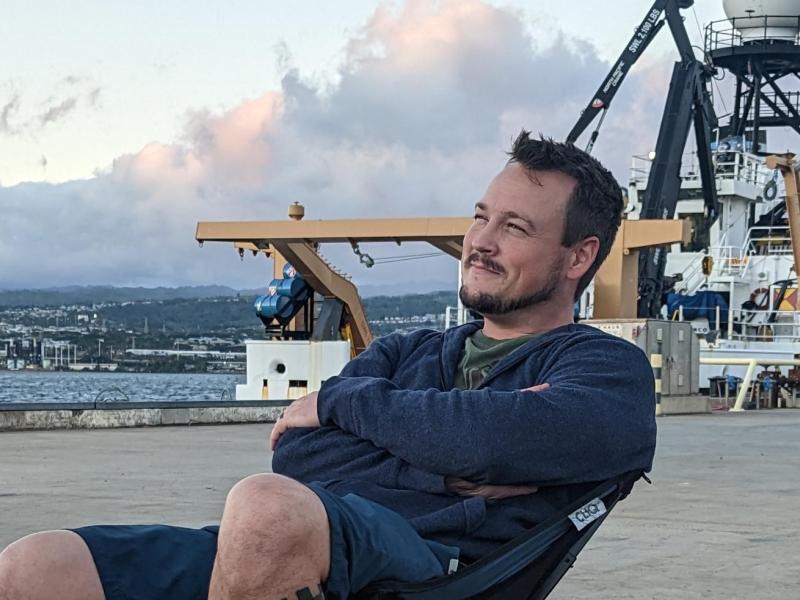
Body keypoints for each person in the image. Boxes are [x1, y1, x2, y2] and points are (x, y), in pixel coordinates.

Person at [0, 132, 656, 600]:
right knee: (39, 566)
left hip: (427, 570)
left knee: (266, 509)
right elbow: (301, 453)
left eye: (515, 228)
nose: (480, 242)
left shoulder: (606, 372)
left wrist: (355, 410)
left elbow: (491, 438)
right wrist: (452, 469)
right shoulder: (410, 351)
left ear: (577, 257)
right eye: (481, 217)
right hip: (304, 543)